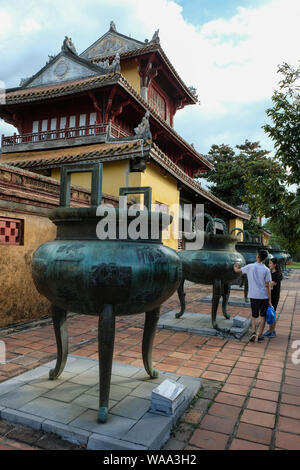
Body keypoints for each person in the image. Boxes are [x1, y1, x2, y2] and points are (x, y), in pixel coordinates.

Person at [233, 249, 272, 342]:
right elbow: (267, 286)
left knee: (254, 315)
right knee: (263, 316)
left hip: (254, 295)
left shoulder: (250, 266)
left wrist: (235, 265)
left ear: (258, 256)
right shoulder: (266, 270)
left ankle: (253, 332)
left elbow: (237, 270)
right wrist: (270, 300)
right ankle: (260, 335)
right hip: (264, 296)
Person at [263, 258, 282, 338]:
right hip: (269, 296)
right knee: (270, 313)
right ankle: (271, 330)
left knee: (272, 313)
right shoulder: (270, 273)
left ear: (274, 265)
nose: (269, 265)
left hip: (274, 297)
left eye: (270, 263)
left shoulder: (277, 274)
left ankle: (272, 331)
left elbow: (270, 285)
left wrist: (264, 284)